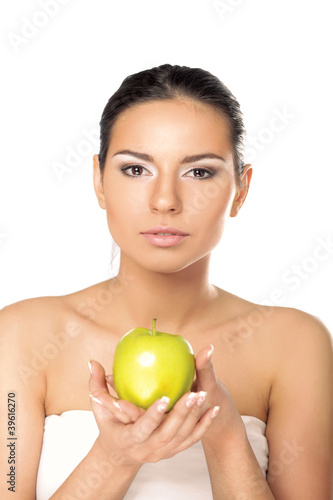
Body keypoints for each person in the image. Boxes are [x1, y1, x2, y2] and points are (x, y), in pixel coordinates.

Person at [0, 63, 332, 500]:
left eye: (200, 172)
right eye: (136, 170)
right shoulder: (21, 333)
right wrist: (115, 457)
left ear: (240, 189)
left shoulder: (296, 342)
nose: (165, 201)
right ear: (99, 180)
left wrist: (226, 435)